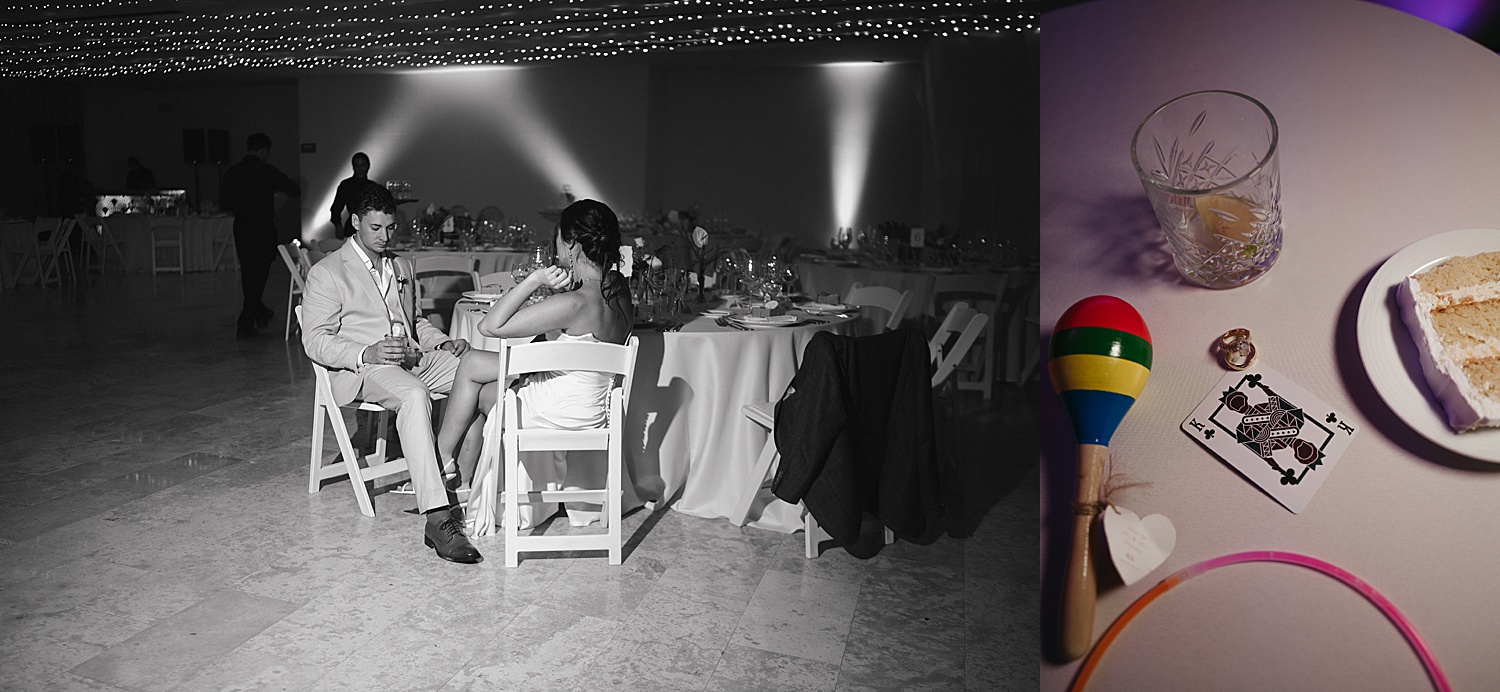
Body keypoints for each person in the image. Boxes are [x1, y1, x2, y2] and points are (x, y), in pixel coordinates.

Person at [301, 183, 486, 564]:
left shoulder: (401, 265)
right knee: (414, 395)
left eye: (390, 227)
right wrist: (364, 351)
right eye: (375, 228)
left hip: (412, 357)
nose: (385, 237)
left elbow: (414, 322)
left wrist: (442, 343)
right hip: (365, 367)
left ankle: (469, 482)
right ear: (355, 223)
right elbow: (315, 340)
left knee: (479, 373)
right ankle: (437, 518)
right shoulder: (327, 272)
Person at [433, 199, 634, 525]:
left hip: (558, 408)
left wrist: (534, 280)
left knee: (480, 392)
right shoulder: (619, 289)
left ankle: (443, 464)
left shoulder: (574, 302)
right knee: (472, 365)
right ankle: (458, 476)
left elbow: (490, 326)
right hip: (594, 406)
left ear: (571, 244)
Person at [222, 132, 300, 339]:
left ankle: (261, 313)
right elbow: (294, 189)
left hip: (241, 227)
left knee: (249, 274)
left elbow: (225, 203)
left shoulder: (233, 173)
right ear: (264, 150)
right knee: (259, 276)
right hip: (262, 228)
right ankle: (245, 322)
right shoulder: (266, 171)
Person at [329, 152, 372, 240]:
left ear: (368, 166)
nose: (360, 169)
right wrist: (338, 225)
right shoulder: (346, 185)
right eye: (357, 165)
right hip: (352, 227)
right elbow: (336, 208)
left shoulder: (372, 187)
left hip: (370, 227)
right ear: (353, 166)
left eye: (362, 165)